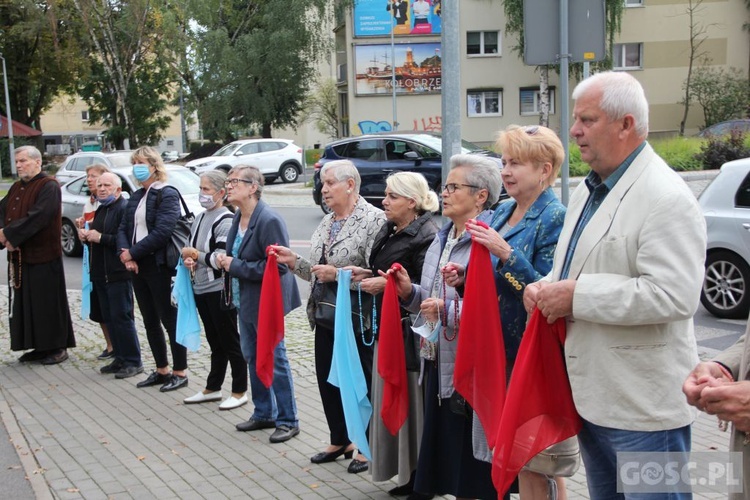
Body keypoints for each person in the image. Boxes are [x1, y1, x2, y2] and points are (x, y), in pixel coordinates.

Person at [522, 71, 706, 500]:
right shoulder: (590, 190)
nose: (574, 131)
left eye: (587, 120)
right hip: (596, 399)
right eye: (575, 120)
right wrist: (546, 286)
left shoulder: (666, 196)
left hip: (643, 411)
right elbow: (577, 264)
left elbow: (674, 295)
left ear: (626, 125)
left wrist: (575, 296)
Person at [459, 125, 567, 499]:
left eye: (516, 163)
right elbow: (486, 273)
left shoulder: (554, 217)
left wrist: (506, 254)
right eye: (504, 162)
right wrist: (463, 274)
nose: (505, 171)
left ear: (545, 169)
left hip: (529, 353)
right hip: (497, 348)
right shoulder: (503, 209)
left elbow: (545, 291)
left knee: (538, 457)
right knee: (514, 456)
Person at [389, 154, 504, 499]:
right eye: (446, 186)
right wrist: (410, 292)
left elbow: (492, 307)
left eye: (454, 187)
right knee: (446, 450)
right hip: (436, 358)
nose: (445, 193)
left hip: (469, 366)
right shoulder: (443, 237)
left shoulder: (488, 240)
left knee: (473, 462)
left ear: (480, 196)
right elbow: (431, 297)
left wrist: (446, 310)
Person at [270, 159, 386, 473]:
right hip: (325, 313)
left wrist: (338, 274)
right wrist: (294, 262)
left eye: (329, 183)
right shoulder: (328, 221)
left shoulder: (374, 220)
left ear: (350, 185)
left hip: (357, 315)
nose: (323, 190)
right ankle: (341, 438)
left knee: (359, 381)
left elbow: (379, 275)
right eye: (322, 184)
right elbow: (319, 274)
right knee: (327, 379)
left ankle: (367, 444)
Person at [347, 172, 439, 497]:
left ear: (411, 201)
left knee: (413, 406)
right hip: (389, 327)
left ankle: (422, 478)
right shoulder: (391, 227)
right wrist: (369, 274)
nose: (383, 201)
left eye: (391, 197)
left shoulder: (426, 235)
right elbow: (391, 270)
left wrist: (385, 285)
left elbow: (420, 285)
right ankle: (408, 473)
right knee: (394, 398)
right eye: (385, 195)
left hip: (410, 333)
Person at [216, 166, 301, 443]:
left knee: (275, 357)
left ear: (253, 187)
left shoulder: (269, 220)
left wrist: (236, 266)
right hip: (245, 300)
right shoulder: (238, 216)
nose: (228, 186)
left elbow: (278, 268)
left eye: (234, 182)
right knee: (252, 354)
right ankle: (264, 412)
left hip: (267, 303)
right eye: (227, 182)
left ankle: (288, 420)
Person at [117, 146, 188, 392]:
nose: (137, 166)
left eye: (142, 162)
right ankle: (161, 369)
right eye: (134, 162)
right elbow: (124, 229)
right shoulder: (137, 195)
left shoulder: (166, 194)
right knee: (149, 320)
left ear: (154, 165)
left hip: (159, 265)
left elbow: (163, 231)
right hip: (137, 266)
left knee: (169, 319)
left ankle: (180, 371)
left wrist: (132, 253)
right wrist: (125, 255)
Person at [0, 145, 75, 365]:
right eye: (17, 162)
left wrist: (10, 235)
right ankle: (38, 346)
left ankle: (57, 346)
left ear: (37, 162)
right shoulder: (16, 187)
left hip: (43, 255)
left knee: (47, 303)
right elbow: (3, 212)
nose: (19, 165)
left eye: (23, 161)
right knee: (27, 305)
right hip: (21, 258)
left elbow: (39, 217)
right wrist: (3, 233)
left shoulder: (48, 186)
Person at [181, 170, 248, 410]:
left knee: (231, 341)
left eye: (206, 189)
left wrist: (194, 256)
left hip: (219, 289)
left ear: (221, 192)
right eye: (200, 188)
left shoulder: (226, 220)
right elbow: (191, 248)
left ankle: (240, 390)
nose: (202, 193)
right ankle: (213, 386)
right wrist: (190, 259)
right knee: (214, 340)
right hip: (200, 288)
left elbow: (220, 257)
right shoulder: (199, 217)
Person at [79, 172, 143, 379]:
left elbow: (124, 240)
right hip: (100, 273)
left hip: (117, 273)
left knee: (122, 317)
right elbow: (97, 237)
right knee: (109, 317)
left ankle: (133, 361)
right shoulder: (102, 208)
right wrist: (86, 235)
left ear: (118, 189)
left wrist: (100, 238)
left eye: (107, 185)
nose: (102, 189)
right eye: (99, 186)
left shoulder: (123, 208)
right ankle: (120, 357)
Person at [76, 163, 114, 360]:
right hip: (92, 258)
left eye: (94, 176)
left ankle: (118, 346)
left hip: (109, 262)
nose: (90, 180)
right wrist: (82, 229)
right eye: (88, 176)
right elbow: (88, 229)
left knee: (113, 309)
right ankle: (109, 345)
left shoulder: (112, 201)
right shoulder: (89, 203)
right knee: (99, 308)